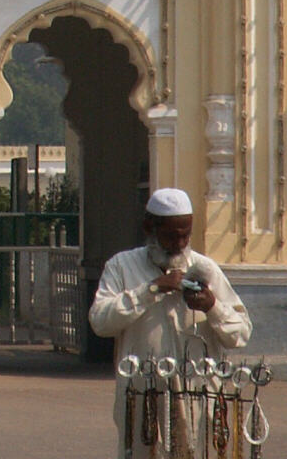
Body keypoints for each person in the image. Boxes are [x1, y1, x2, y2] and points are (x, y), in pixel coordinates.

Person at [89, 188, 251, 455]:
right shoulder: (122, 267)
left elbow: (241, 333)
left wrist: (211, 305)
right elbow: (100, 322)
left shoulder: (205, 268)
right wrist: (150, 290)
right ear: (149, 228)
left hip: (197, 398)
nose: (179, 243)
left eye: (185, 235)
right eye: (171, 236)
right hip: (144, 399)